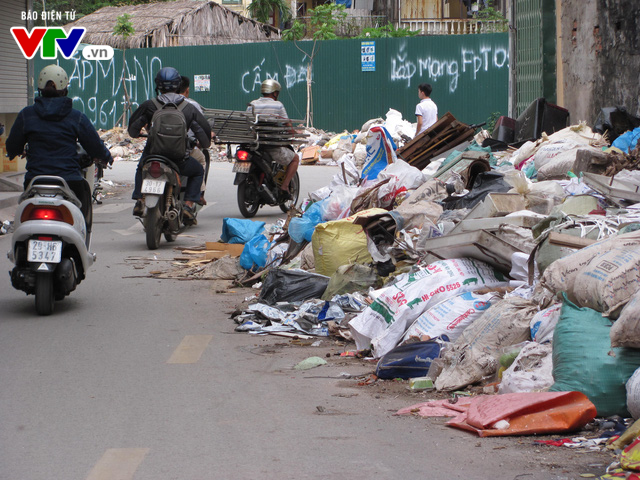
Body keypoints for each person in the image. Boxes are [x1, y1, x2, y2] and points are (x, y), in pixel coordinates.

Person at [6, 64, 113, 239]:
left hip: (35, 181)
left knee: (24, 216)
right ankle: (82, 242)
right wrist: (106, 157)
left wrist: (15, 151)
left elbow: (13, 145)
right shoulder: (75, 117)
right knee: (82, 212)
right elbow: (94, 144)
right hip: (69, 181)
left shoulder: (27, 115)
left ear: (39, 88)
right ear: (65, 88)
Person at [128, 67, 211, 222]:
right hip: (178, 158)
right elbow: (204, 135)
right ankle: (188, 205)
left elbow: (132, 131)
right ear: (178, 84)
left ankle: (139, 199)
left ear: (158, 85)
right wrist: (204, 143)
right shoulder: (189, 108)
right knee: (198, 170)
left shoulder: (149, 105)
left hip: (152, 154)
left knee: (141, 167)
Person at [246, 79, 299, 197]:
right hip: (270, 146)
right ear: (275, 93)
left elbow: (247, 123)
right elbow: (287, 123)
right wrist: (293, 134)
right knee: (295, 158)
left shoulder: (252, 104)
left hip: (253, 145)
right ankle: (285, 186)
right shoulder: (278, 105)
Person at [178, 75, 210, 206]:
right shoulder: (191, 105)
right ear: (187, 90)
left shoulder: (158, 103)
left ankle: (140, 199)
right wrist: (205, 141)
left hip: (157, 151)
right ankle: (195, 198)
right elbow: (200, 126)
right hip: (182, 150)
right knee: (200, 163)